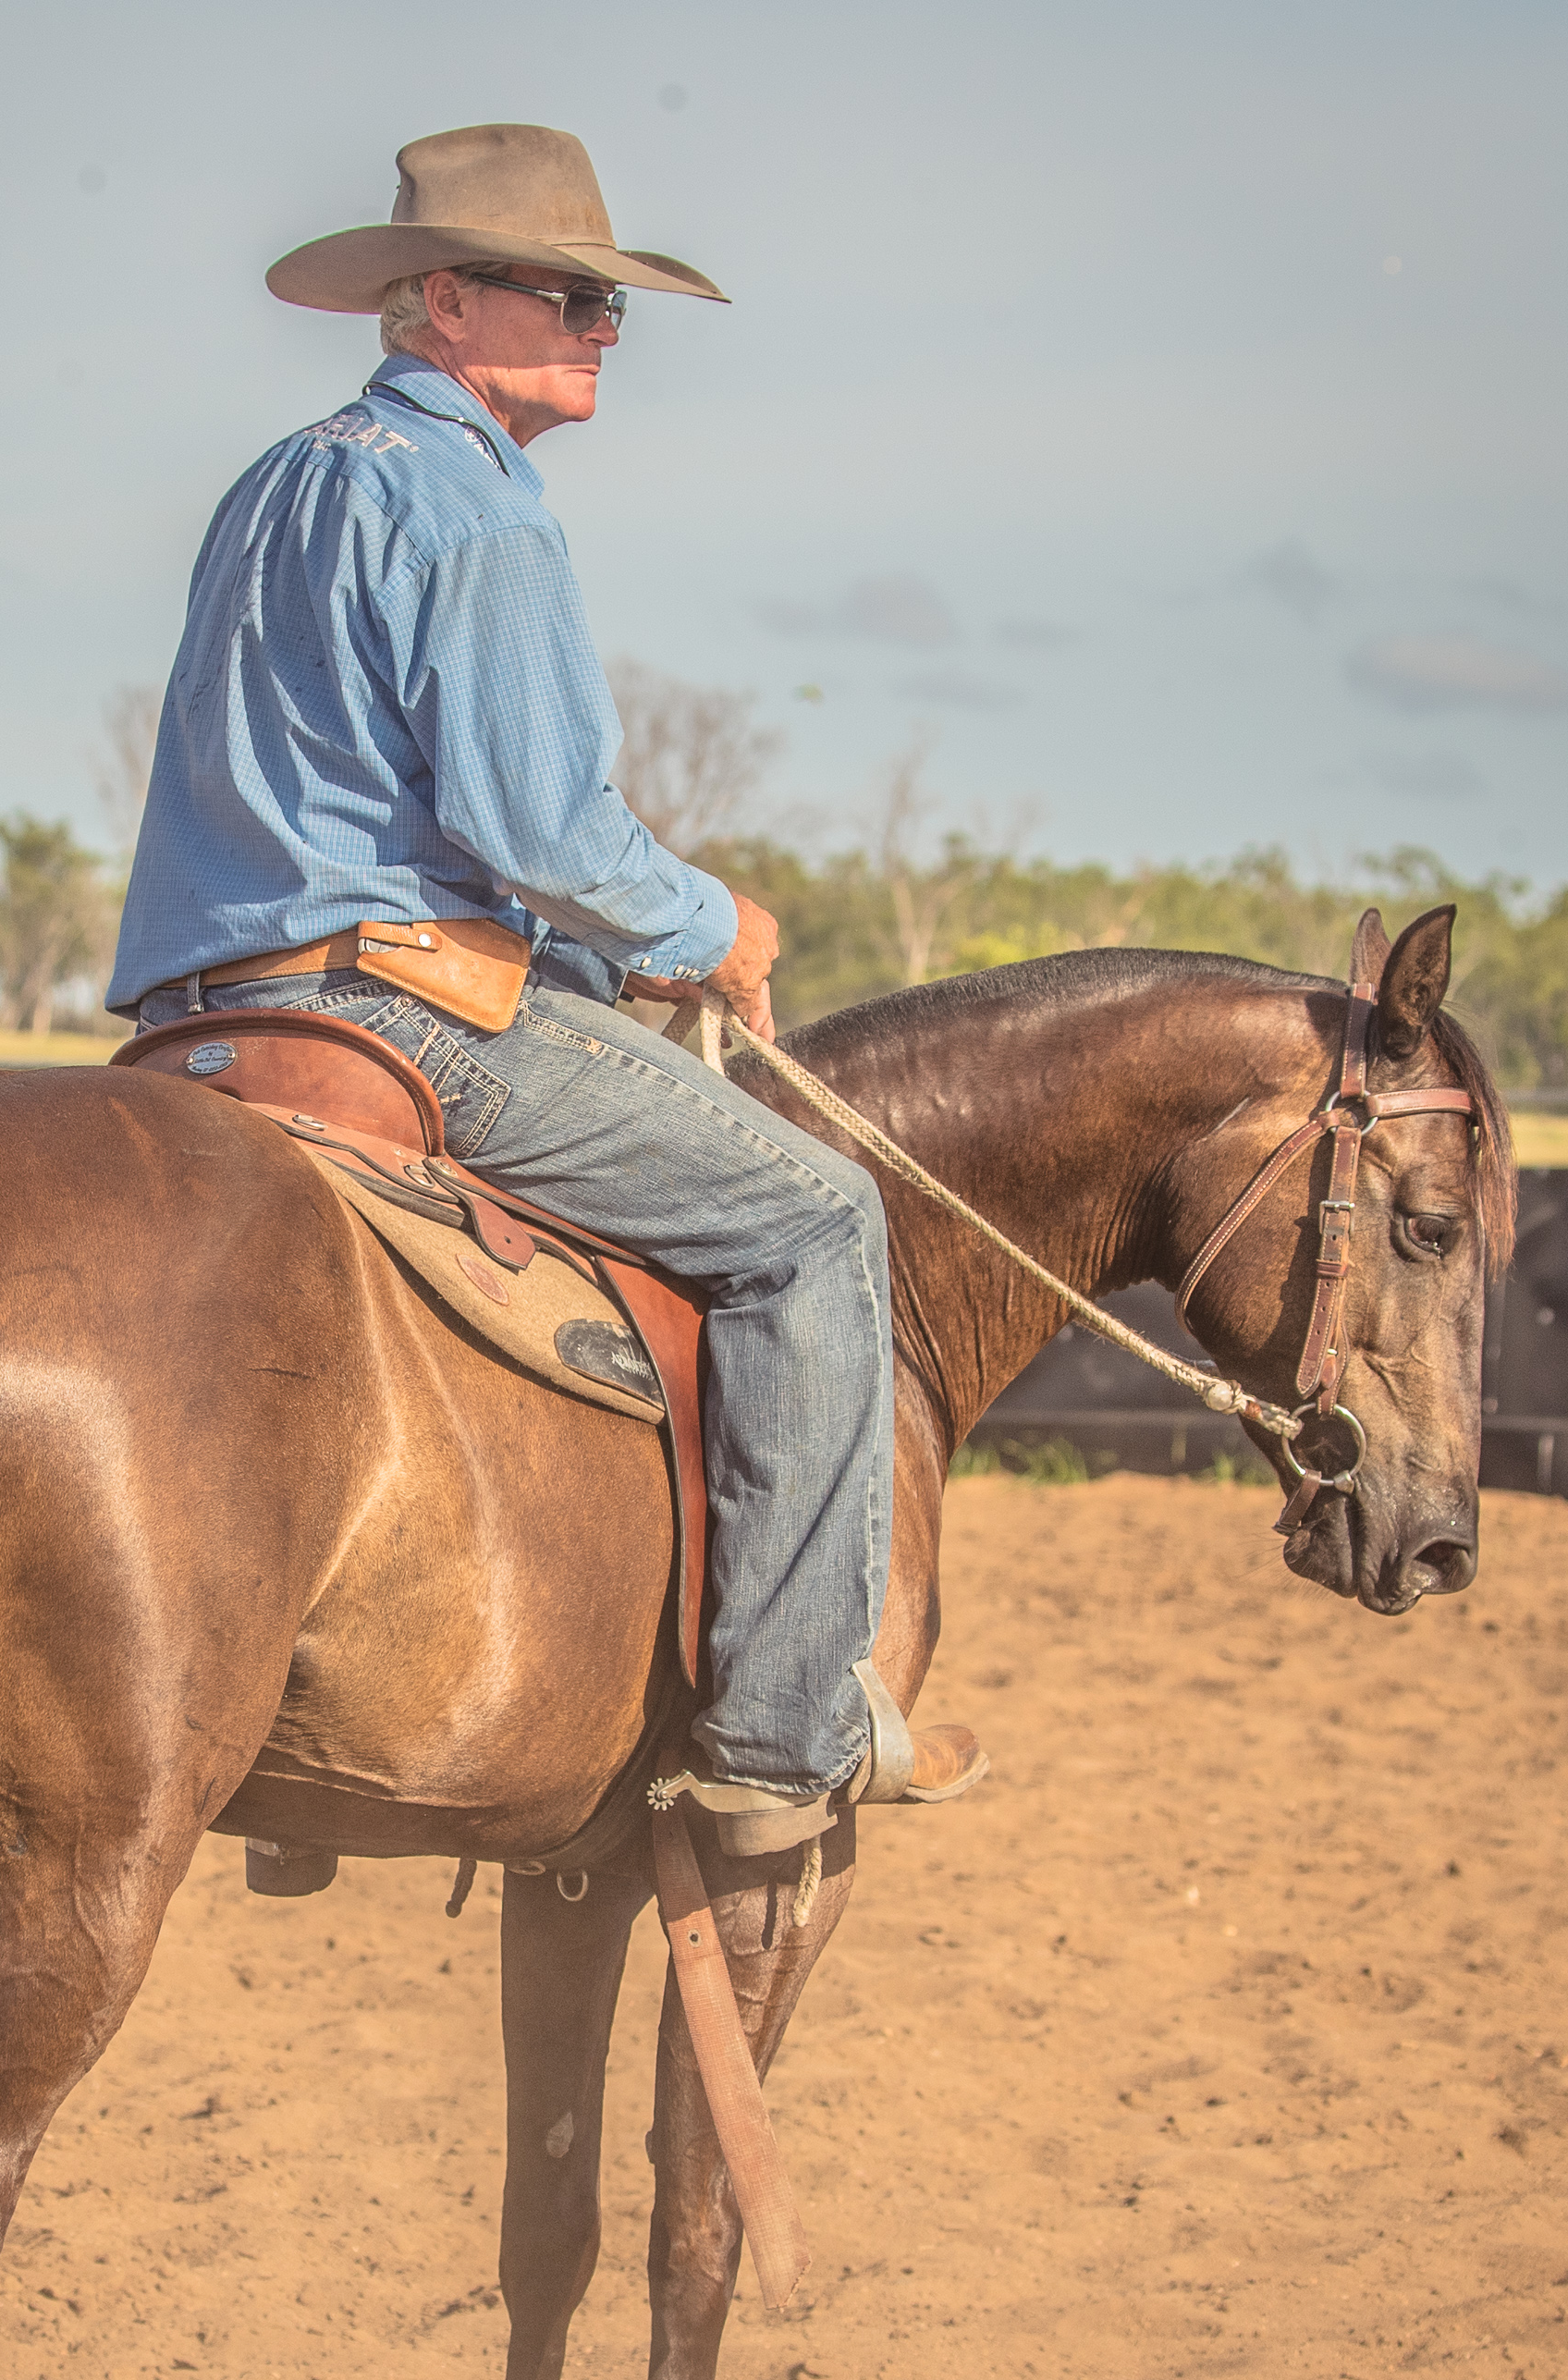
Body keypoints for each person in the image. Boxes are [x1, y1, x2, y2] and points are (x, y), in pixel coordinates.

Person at [109, 123, 978, 1851]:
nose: (601, 330)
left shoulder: (277, 481)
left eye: (611, 304)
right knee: (817, 1223)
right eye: (569, 296)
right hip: (391, 1011)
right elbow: (538, 827)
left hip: (199, 1024)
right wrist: (702, 929)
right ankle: (779, 1738)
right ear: (442, 301)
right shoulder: (479, 510)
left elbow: (362, 794)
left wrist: (582, 950)